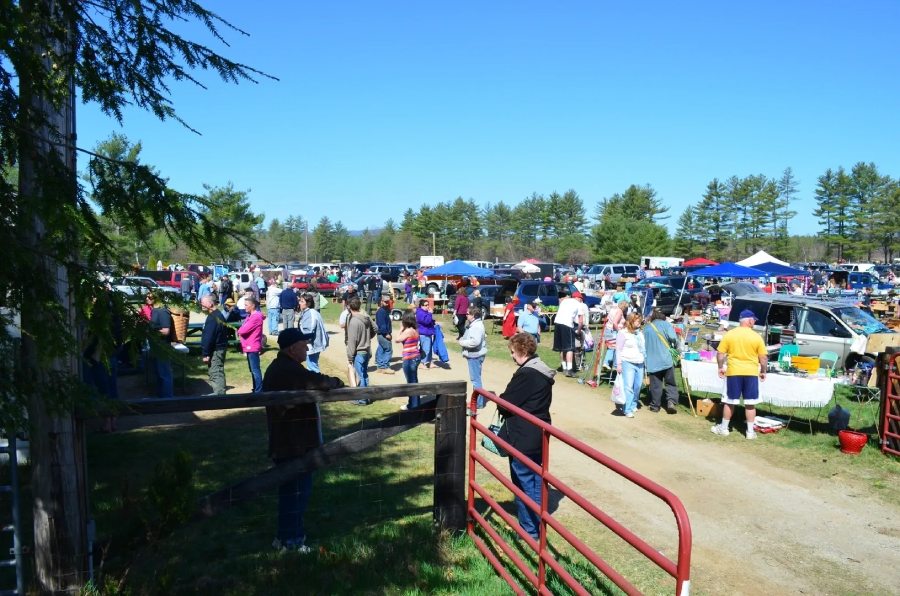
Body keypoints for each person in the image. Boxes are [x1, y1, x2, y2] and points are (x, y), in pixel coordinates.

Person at [263, 328, 345, 553]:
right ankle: (291, 541)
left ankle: (286, 537)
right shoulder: (288, 369)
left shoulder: (284, 367)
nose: (308, 347)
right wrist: (336, 381)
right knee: (296, 492)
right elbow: (318, 381)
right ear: (292, 348)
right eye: (303, 344)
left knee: (292, 492)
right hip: (292, 443)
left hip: (290, 441)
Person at [497, 332, 555, 541]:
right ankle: (536, 523)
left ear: (521, 351)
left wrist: (499, 401)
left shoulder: (527, 374)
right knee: (535, 479)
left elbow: (507, 402)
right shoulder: (541, 371)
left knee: (523, 481)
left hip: (524, 435)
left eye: (513, 352)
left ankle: (529, 529)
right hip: (539, 432)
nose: (512, 356)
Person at [712, 309, 767, 439]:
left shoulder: (730, 334)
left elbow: (720, 354)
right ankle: (750, 432)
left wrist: (720, 367)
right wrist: (763, 371)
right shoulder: (756, 336)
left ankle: (724, 428)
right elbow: (763, 358)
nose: (754, 322)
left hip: (734, 372)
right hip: (751, 373)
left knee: (729, 402)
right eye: (753, 320)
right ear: (749, 320)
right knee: (750, 403)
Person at [642, 309, 679, 414]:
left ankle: (655, 405)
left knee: (655, 385)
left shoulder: (647, 328)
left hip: (652, 361)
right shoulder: (666, 325)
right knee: (670, 383)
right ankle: (671, 402)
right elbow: (673, 338)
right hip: (666, 359)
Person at [345, 296, 377, 404]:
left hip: (359, 352)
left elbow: (352, 342)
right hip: (366, 350)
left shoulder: (354, 321)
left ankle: (362, 399)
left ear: (349, 307)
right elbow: (375, 328)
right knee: (364, 375)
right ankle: (366, 397)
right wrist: (367, 338)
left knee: (361, 376)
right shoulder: (365, 317)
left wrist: (350, 357)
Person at [615, 313, 645, 418]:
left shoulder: (640, 333)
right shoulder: (623, 333)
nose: (639, 322)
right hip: (627, 361)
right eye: (637, 321)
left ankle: (633, 404)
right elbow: (618, 349)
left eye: (640, 321)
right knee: (628, 386)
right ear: (631, 321)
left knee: (638, 386)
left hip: (640, 362)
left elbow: (643, 348)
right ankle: (627, 409)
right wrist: (618, 364)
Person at [459, 304, 487, 408]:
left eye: (467, 314)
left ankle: (478, 403)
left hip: (475, 356)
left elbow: (475, 342)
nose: (466, 315)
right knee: (476, 379)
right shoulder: (475, 324)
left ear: (473, 315)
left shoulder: (477, 326)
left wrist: (462, 342)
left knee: (475, 380)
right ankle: (477, 401)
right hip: (474, 355)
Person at [200, 295, 229, 395]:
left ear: (211, 303)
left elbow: (209, 337)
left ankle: (219, 396)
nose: (201, 304)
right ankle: (218, 393)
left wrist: (205, 353)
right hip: (218, 348)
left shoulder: (213, 317)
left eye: (203, 302)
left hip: (216, 350)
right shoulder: (217, 314)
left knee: (216, 372)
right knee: (216, 370)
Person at [148, 294, 175, 398]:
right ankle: (160, 397)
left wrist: (152, 331)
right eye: (146, 297)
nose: (147, 299)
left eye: (150, 297)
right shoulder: (154, 310)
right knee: (159, 373)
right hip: (155, 346)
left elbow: (166, 331)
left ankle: (168, 398)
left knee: (164, 374)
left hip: (162, 347)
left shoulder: (163, 311)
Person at [552, 291, 583, 377]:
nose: (581, 301)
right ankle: (569, 370)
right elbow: (580, 321)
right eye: (581, 299)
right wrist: (579, 331)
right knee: (570, 348)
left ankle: (564, 367)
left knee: (562, 347)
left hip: (557, 323)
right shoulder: (578, 304)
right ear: (578, 298)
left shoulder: (564, 301)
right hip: (567, 324)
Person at [238, 295, 265, 393]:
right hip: (249, 346)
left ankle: (259, 390)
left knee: (255, 370)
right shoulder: (250, 316)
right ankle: (256, 388)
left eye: (246, 305)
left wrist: (240, 330)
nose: (244, 307)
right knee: (252, 370)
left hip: (252, 346)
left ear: (252, 306)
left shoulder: (256, 317)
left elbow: (243, 330)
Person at [395, 311, 421, 410]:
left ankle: (413, 406)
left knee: (411, 383)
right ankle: (414, 403)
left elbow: (397, 339)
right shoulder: (415, 329)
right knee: (414, 381)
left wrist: (401, 329)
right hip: (416, 356)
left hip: (409, 359)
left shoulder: (408, 331)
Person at [297, 293, 329, 373]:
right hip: (311, 344)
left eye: (302, 301)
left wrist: (302, 341)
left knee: (312, 367)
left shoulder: (310, 313)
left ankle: (317, 384)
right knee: (311, 366)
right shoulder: (309, 312)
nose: (299, 303)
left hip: (312, 345)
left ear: (308, 303)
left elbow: (309, 331)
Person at [602, 300, 628, 371]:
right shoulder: (619, 311)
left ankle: (610, 363)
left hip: (608, 329)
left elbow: (607, 319)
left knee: (611, 347)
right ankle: (610, 363)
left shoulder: (613, 309)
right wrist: (619, 331)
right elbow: (615, 323)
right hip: (613, 331)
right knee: (615, 348)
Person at [373, 296, 395, 374]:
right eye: (385, 301)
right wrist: (386, 334)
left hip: (381, 334)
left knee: (381, 348)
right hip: (383, 333)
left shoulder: (384, 310)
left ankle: (380, 366)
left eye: (387, 301)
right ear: (381, 301)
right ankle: (385, 366)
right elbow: (382, 325)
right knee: (388, 349)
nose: (386, 303)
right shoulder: (381, 311)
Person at [416, 299, 436, 368]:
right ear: (421, 306)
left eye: (428, 305)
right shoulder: (420, 313)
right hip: (423, 333)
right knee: (425, 349)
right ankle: (422, 363)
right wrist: (430, 313)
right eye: (425, 305)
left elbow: (430, 321)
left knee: (429, 349)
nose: (427, 306)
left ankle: (428, 362)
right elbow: (426, 321)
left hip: (428, 332)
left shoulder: (425, 312)